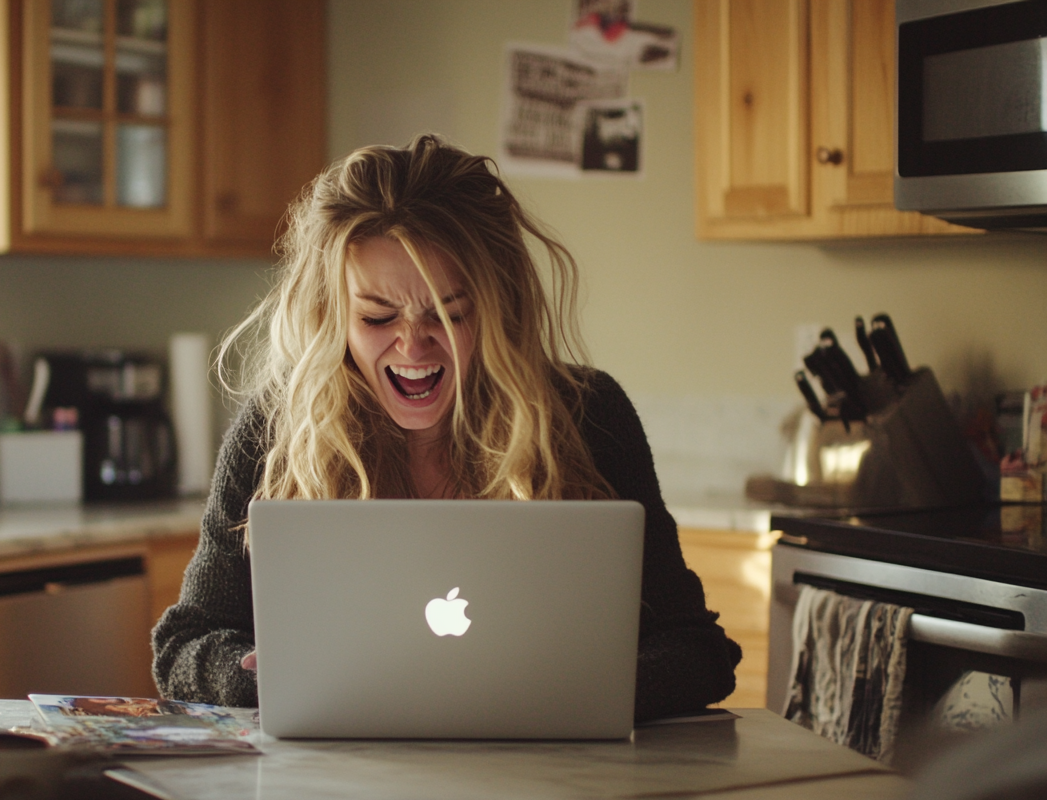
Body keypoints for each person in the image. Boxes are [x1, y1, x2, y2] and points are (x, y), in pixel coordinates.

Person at [152, 134, 740, 722]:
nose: (412, 344)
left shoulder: (587, 416)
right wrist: (257, 676)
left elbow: (698, 648)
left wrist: (588, 693)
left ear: (498, 304)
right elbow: (183, 644)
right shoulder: (278, 427)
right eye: (377, 316)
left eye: (449, 313)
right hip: (333, 795)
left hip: (548, 787)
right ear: (333, 314)